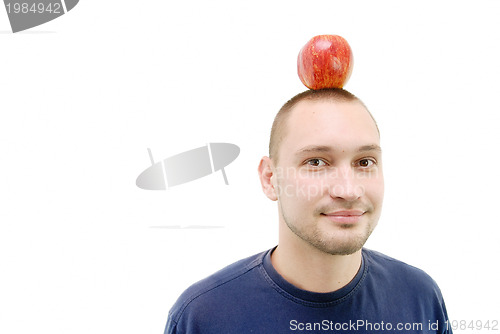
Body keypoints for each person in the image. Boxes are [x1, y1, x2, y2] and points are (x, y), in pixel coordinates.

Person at [164, 88, 452, 334]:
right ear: (270, 179)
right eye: (316, 162)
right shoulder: (203, 317)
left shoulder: (419, 298)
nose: (348, 190)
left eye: (365, 162)